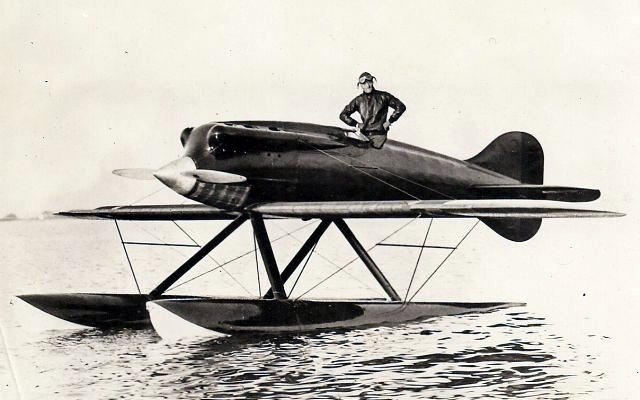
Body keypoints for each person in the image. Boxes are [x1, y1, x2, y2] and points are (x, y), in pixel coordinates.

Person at [339, 72, 406, 149]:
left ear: (372, 82)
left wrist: (389, 122)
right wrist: (357, 124)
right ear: (360, 85)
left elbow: (401, 107)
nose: (368, 85)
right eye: (364, 84)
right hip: (363, 137)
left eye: (369, 82)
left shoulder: (384, 96)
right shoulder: (358, 100)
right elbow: (343, 115)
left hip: (379, 137)